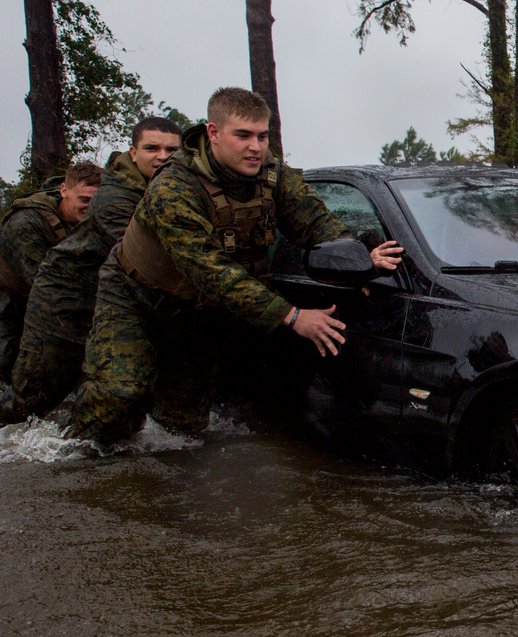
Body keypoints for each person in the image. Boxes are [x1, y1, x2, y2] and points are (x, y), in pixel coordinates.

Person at [69, 87, 403, 444]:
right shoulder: (173, 187)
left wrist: (356, 258)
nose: (255, 147)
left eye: (262, 136)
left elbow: (316, 222)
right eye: (243, 135)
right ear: (213, 133)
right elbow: (210, 270)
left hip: (196, 312)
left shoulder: (273, 174)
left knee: (182, 425)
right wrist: (292, 316)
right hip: (135, 297)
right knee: (120, 394)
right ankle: (74, 462)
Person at [0, 118, 183, 424]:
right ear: (134, 152)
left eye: (170, 149)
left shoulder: (163, 188)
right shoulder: (30, 222)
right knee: (28, 400)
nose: (162, 156)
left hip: (98, 297)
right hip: (53, 303)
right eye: (152, 148)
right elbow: (38, 281)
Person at [0, 161, 103, 381]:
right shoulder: (25, 222)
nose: (90, 208)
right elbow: (42, 285)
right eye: (84, 200)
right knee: (8, 365)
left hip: (58, 294)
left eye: (96, 202)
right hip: (13, 297)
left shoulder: (98, 219)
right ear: (64, 190)